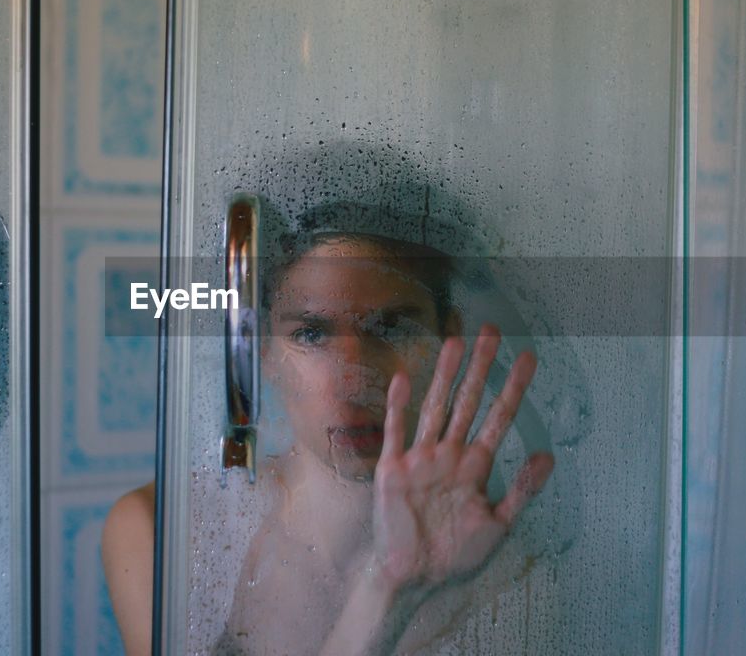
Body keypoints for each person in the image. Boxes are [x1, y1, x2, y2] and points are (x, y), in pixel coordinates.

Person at [102, 219, 556, 655]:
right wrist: (390, 586)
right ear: (265, 355)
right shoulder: (163, 533)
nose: (352, 380)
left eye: (392, 327)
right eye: (312, 333)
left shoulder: (508, 573)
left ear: (447, 339)